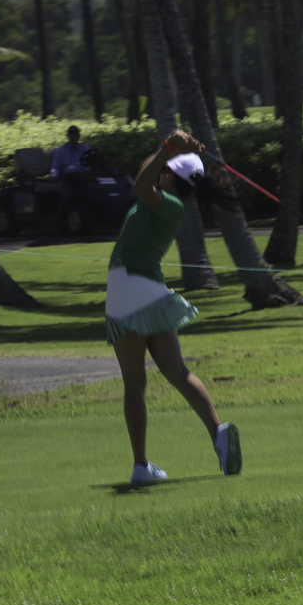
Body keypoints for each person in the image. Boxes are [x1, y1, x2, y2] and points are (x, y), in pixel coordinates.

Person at [106, 130, 242, 486]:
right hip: (151, 292)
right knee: (178, 372)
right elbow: (145, 173)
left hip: (126, 288)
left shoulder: (164, 202)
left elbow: (141, 182)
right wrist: (169, 150)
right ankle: (218, 433)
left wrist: (169, 147)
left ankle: (141, 466)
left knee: (134, 383)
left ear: (169, 176)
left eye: (165, 168)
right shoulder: (171, 201)